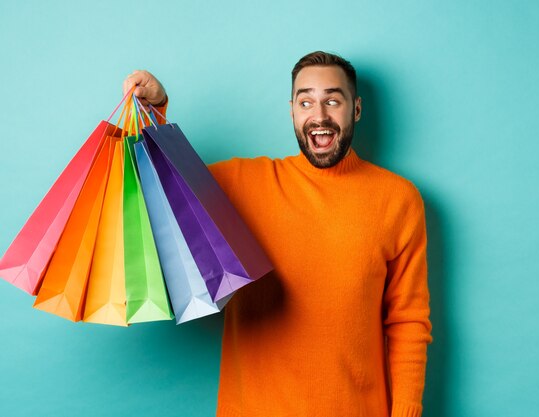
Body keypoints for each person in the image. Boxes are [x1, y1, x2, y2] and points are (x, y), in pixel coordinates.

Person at [123, 51, 433, 417]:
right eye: (306, 102)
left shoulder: (398, 200)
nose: (319, 116)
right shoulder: (242, 185)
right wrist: (155, 113)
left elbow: (408, 322)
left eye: (333, 100)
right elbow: (165, 187)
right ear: (292, 111)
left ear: (357, 109)